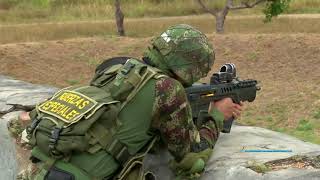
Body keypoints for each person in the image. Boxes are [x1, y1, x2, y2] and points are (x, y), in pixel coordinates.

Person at [8, 24, 243, 180]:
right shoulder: (167, 89)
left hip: (37, 170)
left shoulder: (115, 67)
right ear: (190, 66)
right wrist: (218, 114)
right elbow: (192, 157)